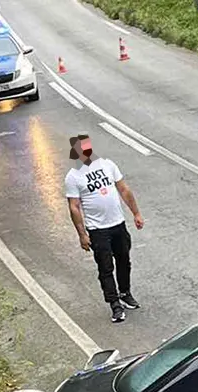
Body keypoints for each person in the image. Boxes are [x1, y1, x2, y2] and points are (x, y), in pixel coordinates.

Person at [65, 134, 144, 323]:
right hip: (97, 229)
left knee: (124, 260)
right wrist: (82, 234)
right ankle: (114, 304)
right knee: (105, 267)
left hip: (117, 223)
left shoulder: (108, 165)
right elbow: (74, 207)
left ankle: (125, 292)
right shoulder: (73, 177)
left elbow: (124, 189)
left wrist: (136, 213)